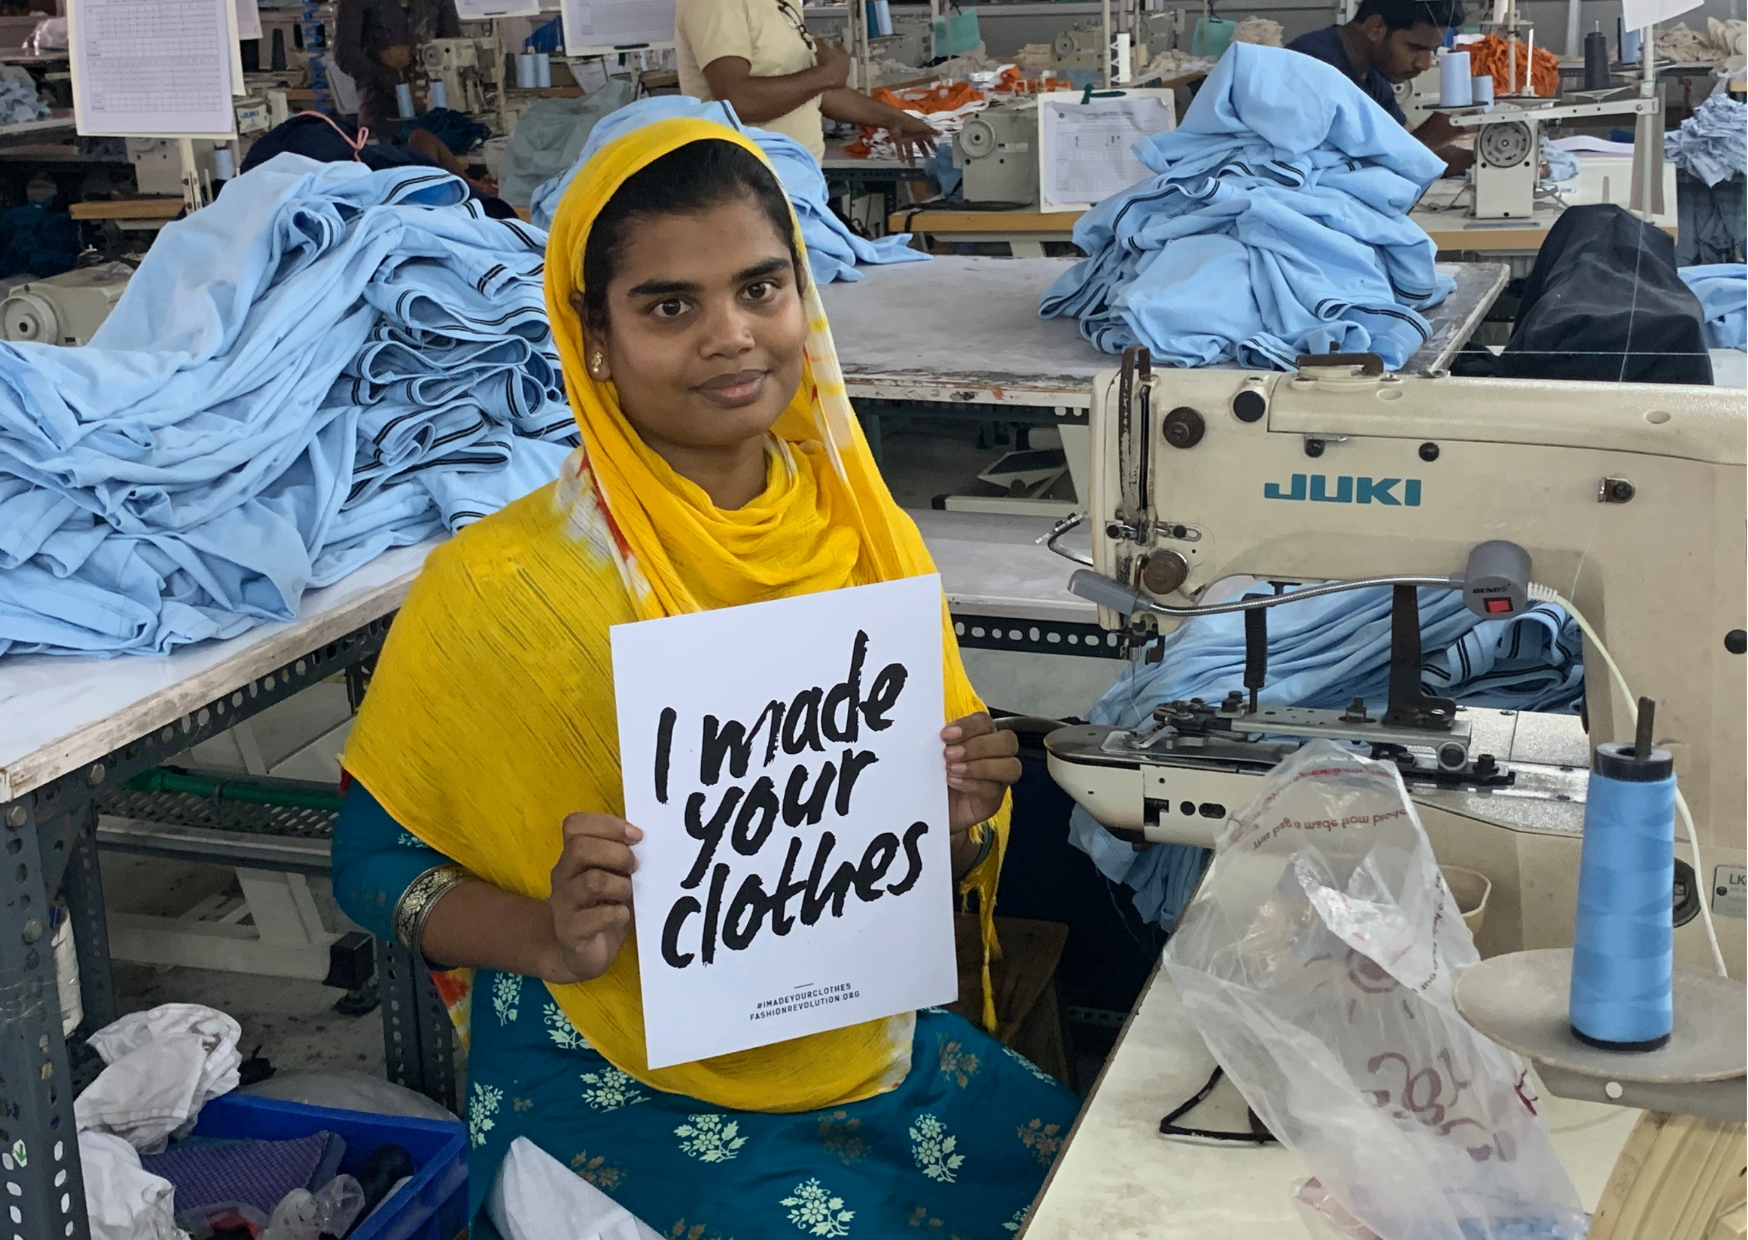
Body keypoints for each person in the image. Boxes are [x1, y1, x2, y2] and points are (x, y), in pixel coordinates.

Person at [332, 115, 1080, 1239]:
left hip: (859, 1047)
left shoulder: (866, 545)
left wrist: (958, 818)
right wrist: (546, 932)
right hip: (614, 1080)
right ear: (592, 337)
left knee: (1091, 1187)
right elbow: (369, 862)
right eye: (668, 305)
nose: (731, 337)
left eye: (760, 287)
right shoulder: (503, 584)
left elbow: (909, 861)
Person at [675, 0, 938, 163]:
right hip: (747, 189)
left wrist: (896, 118)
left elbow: (816, 92)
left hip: (796, 184)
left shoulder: (783, 5)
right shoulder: (715, 3)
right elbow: (736, 99)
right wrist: (826, 75)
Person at [1287, 0, 1473, 172]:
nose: (1424, 64)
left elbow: (1406, 143)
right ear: (1375, 28)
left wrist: (1484, 156)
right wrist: (1428, 139)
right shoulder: (1313, 69)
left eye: (1431, 50)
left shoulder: (1372, 72)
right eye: (1416, 47)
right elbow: (1350, 173)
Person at [333, 0, 461, 141]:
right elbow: (346, 54)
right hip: (382, 112)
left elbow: (454, 46)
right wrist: (398, 88)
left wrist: (414, 50)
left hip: (435, 107)